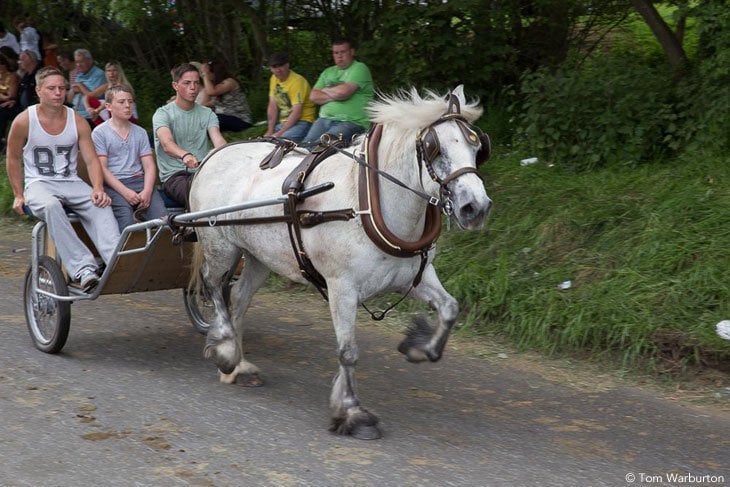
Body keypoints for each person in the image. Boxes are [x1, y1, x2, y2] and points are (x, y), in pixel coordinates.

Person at [5, 66, 120, 291]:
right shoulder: (24, 120)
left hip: (71, 182)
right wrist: (18, 195)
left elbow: (91, 159)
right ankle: (84, 269)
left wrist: (97, 187)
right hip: (39, 184)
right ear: (38, 91)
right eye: (51, 88)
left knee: (101, 204)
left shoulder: (76, 120)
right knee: (51, 206)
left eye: (61, 88)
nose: (58, 92)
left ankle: (116, 263)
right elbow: (12, 159)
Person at [92, 84, 167, 230]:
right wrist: (125, 192)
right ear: (108, 106)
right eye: (121, 102)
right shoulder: (100, 133)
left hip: (139, 182)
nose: (127, 106)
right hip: (115, 184)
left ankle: (160, 252)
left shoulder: (140, 132)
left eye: (130, 101)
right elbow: (102, 168)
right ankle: (128, 252)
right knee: (126, 219)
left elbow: (149, 165)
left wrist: (147, 190)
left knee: (163, 220)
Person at [153, 62, 226, 207]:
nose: (193, 88)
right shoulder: (162, 114)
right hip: (175, 177)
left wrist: (227, 152)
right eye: (187, 83)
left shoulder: (207, 113)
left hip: (204, 171)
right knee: (202, 197)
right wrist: (185, 155)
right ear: (175, 86)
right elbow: (167, 144)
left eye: (196, 83)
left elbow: (219, 141)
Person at [301, 39, 374, 146]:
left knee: (322, 147)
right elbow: (313, 96)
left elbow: (343, 92)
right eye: (336, 53)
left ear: (352, 52)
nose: (339, 56)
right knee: (304, 147)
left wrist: (325, 91)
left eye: (343, 52)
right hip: (324, 119)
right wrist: (337, 93)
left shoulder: (359, 68)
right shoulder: (328, 72)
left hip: (351, 122)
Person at [264, 52, 316, 143]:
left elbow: (297, 112)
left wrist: (280, 133)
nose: (278, 70)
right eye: (274, 67)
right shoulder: (273, 78)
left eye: (281, 65)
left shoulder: (297, 81)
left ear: (287, 65)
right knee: (263, 142)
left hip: (303, 122)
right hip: (284, 123)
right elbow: (272, 105)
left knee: (280, 143)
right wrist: (270, 130)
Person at [201, 57, 252, 132]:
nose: (206, 76)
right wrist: (206, 79)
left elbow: (211, 92)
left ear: (214, 73)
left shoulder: (230, 82)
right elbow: (204, 103)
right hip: (223, 119)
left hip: (240, 120)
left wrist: (205, 74)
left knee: (212, 119)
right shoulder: (215, 86)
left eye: (208, 73)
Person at [84, 61, 138, 125]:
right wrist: (89, 109)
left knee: (110, 105)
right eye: (109, 71)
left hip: (128, 117)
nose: (111, 73)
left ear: (119, 72)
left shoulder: (124, 86)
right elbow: (87, 96)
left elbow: (111, 100)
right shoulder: (107, 86)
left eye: (114, 70)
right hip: (114, 116)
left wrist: (97, 110)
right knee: (92, 100)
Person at [69, 48, 105, 126]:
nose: (78, 65)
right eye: (77, 62)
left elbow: (94, 95)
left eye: (81, 61)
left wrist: (80, 86)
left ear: (90, 61)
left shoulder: (99, 74)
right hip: (76, 113)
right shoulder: (79, 75)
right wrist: (73, 90)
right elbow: (70, 99)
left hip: (92, 115)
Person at [0, 54, 19, 147]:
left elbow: (11, 95)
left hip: (10, 103)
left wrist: (3, 97)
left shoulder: (12, 76)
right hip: (3, 101)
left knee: (2, 112)